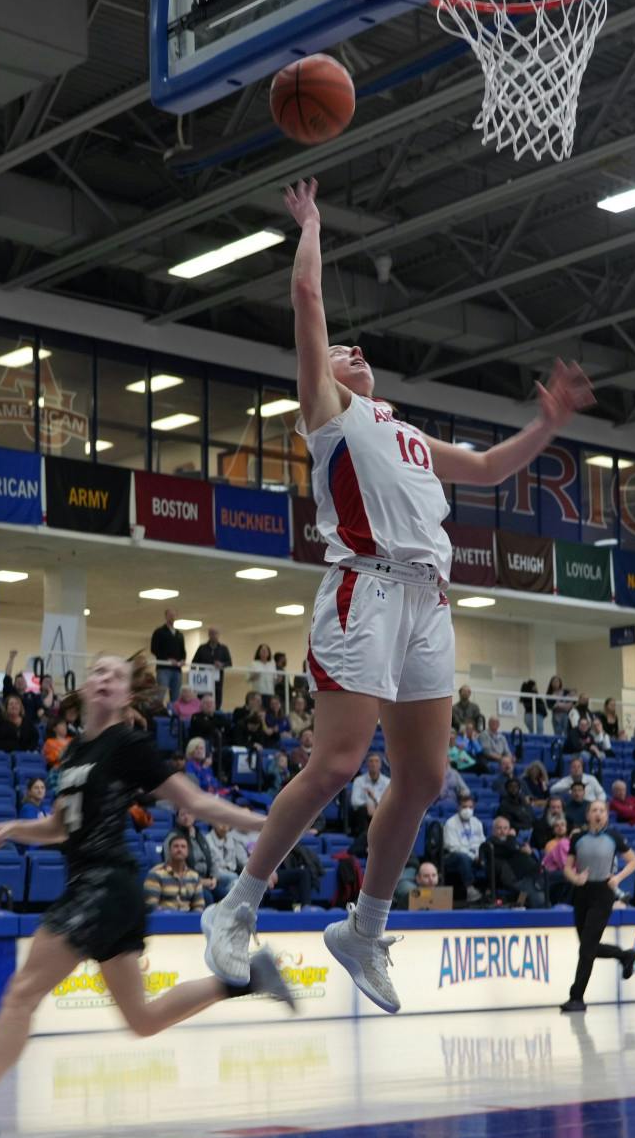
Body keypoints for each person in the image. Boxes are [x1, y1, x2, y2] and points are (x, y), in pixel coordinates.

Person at [193, 177, 593, 1015]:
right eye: (341, 354)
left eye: (356, 353)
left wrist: (548, 425)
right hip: (362, 592)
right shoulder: (329, 416)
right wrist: (311, 223)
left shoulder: (404, 433)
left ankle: (363, 931)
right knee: (339, 763)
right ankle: (235, 906)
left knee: (424, 777)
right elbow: (307, 296)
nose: (352, 352)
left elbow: (486, 469)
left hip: (429, 603)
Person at [0, 655, 291, 1138]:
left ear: (127, 696)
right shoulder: (71, 755)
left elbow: (194, 803)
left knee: (22, 991)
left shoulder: (128, 744)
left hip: (104, 884)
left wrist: (269, 823)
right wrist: (14, 829)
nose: (106, 678)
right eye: (99, 672)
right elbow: (57, 827)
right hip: (104, 890)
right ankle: (248, 979)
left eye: (117, 675)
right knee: (143, 1021)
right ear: (86, 687)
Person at [561, 800, 635, 1012]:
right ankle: (625, 955)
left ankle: (576, 997)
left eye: (602, 810)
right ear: (588, 815)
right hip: (581, 892)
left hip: (603, 893)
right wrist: (575, 878)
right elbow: (567, 868)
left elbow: (633, 861)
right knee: (587, 947)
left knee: (587, 948)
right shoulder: (577, 837)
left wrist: (618, 878)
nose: (599, 813)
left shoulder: (613, 836)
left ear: (606, 815)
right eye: (594, 810)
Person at [145, 832, 209, 912]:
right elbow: (151, 906)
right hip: (164, 920)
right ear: (169, 850)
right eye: (176, 846)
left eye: (183, 847)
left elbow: (199, 906)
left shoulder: (194, 876)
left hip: (187, 921)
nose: (179, 849)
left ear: (188, 851)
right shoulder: (155, 874)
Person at [346, 753, 390, 838]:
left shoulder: (387, 782)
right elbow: (354, 801)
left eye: (376, 761)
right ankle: (364, 838)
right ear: (367, 764)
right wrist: (367, 805)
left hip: (380, 813)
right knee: (362, 810)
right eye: (371, 761)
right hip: (363, 815)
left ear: (380, 764)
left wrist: (375, 800)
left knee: (388, 812)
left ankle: (385, 838)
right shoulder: (359, 781)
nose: (374, 764)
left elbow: (388, 802)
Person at [150, 608, 188, 699]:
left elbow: (183, 651)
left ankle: (173, 712)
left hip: (177, 669)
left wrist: (183, 660)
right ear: (166, 616)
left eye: (174, 615)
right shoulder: (159, 632)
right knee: (161, 693)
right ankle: (157, 711)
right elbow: (154, 649)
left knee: (176, 695)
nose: (172, 617)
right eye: (170, 615)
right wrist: (167, 659)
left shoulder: (179, 634)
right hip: (164, 668)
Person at [192, 627, 234, 706]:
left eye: (215, 634)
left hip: (217, 680)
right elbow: (194, 663)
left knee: (217, 700)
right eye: (211, 633)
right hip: (203, 679)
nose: (213, 635)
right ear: (209, 635)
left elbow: (229, 663)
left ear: (219, 635)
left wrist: (222, 664)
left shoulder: (223, 649)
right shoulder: (202, 648)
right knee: (201, 699)